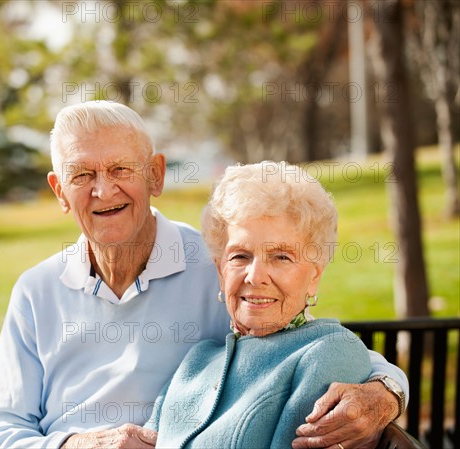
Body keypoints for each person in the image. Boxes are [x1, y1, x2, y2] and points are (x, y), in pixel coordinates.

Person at [0, 101, 409, 449]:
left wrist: (386, 392)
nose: (103, 190)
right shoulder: (36, 291)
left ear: (156, 175)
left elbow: (307, 344)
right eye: (82, 174)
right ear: (59, 192)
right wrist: (77, 444)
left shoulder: (223, 265)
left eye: (121, 169)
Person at [146, 161, 385, 449]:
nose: (255, 276)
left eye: (281, 257)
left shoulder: (329, 354)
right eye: (240, 256)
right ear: (221, 272)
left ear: (314, 276)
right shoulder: (197, 361)